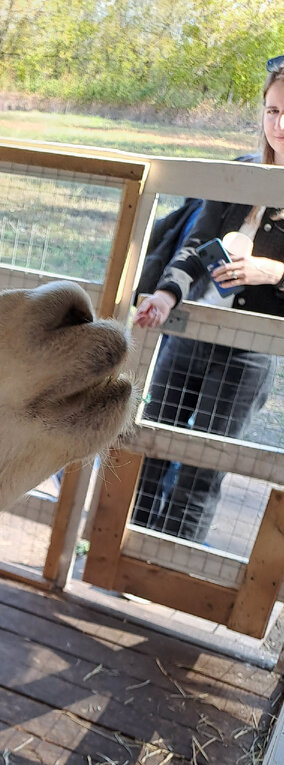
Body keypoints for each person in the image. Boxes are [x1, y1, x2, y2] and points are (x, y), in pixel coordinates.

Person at [130, 59, 284, 543]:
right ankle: (122, 551)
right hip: (193, 330)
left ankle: (168, 561)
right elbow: (195, 246)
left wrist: (273, 272)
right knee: (150, 439)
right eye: (272, 110)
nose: (279, 125)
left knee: (204, 465)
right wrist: (165, 293)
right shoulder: (238, 175)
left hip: (248, 354)